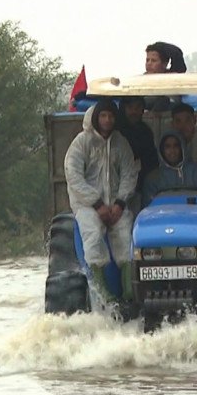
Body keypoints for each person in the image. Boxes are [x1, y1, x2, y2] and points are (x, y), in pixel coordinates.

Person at [64, 98, 140, 303]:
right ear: (97, 118)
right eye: (103, 116)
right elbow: (74, 176)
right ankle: (103, 293)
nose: (107, 120)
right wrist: (97, 204)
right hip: (87, 205)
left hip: (115, 205)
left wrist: (120, 203)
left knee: (126, 235)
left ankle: (128, 293)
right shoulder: (81, 142)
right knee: (93, 236)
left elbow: (129, 173)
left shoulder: (120, 143)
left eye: (111, 116)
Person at [142, 130, 197, 212]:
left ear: (182, 147)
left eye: (176, 146)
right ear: (161, 150)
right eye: (167, 147)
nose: (172, 151)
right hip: (163, 221)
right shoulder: (153, 178)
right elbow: (147, 209)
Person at [117, 96, 160, 187]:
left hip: (141, 185)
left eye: (137, 107)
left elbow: (151, 163)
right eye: (130, 107)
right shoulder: (116, 131)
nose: (134, 112)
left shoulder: (146, 132)